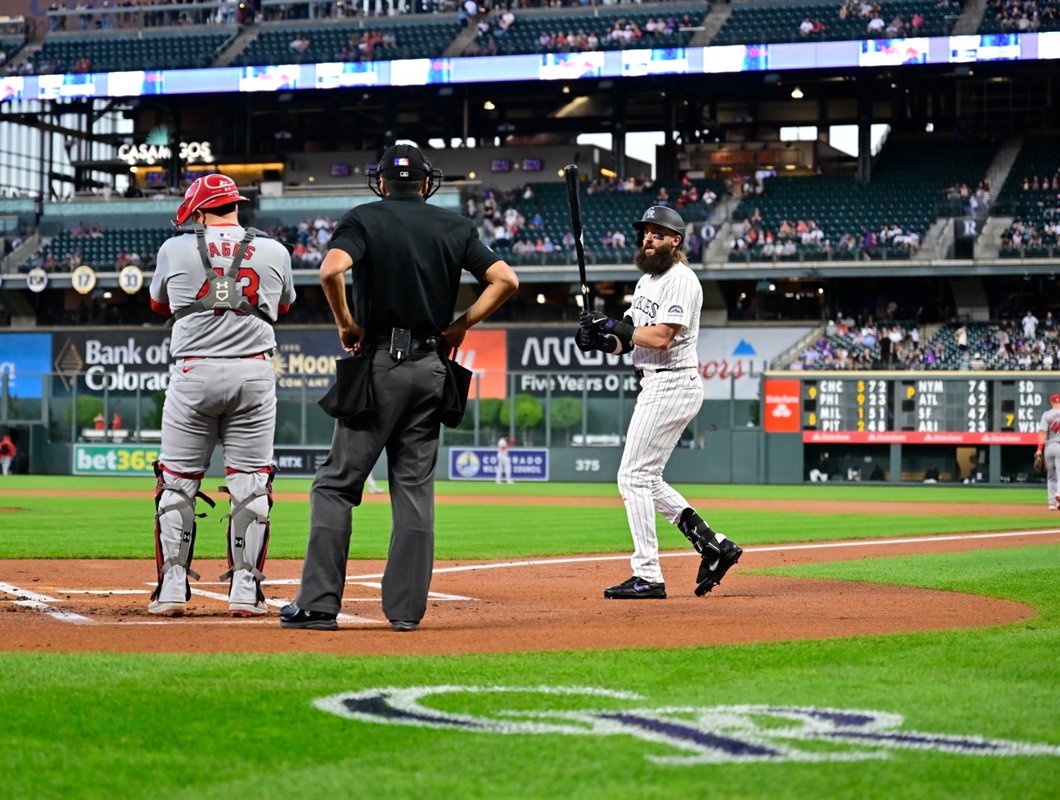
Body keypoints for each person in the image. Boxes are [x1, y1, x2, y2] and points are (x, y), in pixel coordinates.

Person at [281, 144, 518, 632]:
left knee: (336, 484)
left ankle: (320, 605)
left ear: (383, 182)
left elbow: (330, 270)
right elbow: (506, 280)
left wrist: (346, 322)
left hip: (379, 366)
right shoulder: (455, 225)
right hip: (432, 365)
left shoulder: (364, 217)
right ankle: (406, 613)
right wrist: (460, 327)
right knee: (413, 490)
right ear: (426, 183)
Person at [147, 173, 296, 618]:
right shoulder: (275, 249)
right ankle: (245, 591)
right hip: (253, 372)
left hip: (193, 372)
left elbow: (159, 305)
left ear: (197, 211)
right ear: (235, 205)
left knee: (176, 483)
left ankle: (172, 587)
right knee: (251, 484)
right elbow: (282, 307)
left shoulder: (174, 247)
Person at [576, 205, 741, 600]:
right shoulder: (646, 281)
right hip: (656, 384)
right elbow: (629, 339)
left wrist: (613, 325)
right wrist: (599, 339)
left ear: (675, 241)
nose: (647, 238)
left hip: (672, 383)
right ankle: (713, 545)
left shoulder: (681, 279)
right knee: (647, 479)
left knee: (631, 477)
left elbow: (662, 337)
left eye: (657, 233)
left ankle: (647, 574)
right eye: (645, 232)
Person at [1037, 393, 1060, 510]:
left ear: (1051, 403)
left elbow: (1043, 433)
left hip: (1049, 447)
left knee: (1051, 475)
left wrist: (1039, 450)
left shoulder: (1046, 414)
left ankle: (1051, 503)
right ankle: (1059, 495)